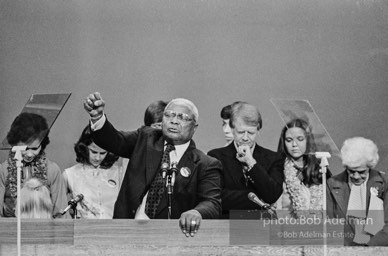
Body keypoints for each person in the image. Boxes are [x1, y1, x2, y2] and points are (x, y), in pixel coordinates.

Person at [83, 92, 222, 237]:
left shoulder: (205, 164)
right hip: (127, 231)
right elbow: (114, 141)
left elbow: (212, 203)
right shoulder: (146, 139)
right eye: (169, 115)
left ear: (194, 127)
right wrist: (97, 118)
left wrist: (196, 212)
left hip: (171, 238)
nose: (174, 121)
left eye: (182, 117)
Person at [208, 102, 284, 219]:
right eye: (241, 132)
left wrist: (251, 163)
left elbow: (272, 194)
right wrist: (258, 200)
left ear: (258, 131)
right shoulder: (216, 156)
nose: (245, 137)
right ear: (232, 129)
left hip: (261, 226)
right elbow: (217, 197)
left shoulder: (274, 158)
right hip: (227, 225)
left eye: (251, 133)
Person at [0, 112, 68, 218]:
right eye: (25, 148)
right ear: (15, 144)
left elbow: (61, 213)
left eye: (35, 148)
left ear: (42, 145)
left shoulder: (52, 170)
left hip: (45, 231)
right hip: (11, 230)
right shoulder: (4, 170)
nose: (30, 154)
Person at [327, 137, 388, 246]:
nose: (356, 176)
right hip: (344, 250)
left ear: (370, 166)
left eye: (361, 172)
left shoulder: (384, 182)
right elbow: (329, 223)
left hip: (376, 249)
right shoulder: (332, 184)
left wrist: (368, 248)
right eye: (351, 171)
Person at [275, 119, 331, 218]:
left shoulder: (320, 169)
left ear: (308, 141)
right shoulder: (278, 169)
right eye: (289, 140)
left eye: (300, 139)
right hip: (287, 228)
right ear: (284, 143)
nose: (294, 145)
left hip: (317, 228)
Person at [63, 126, 122, 219]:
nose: (98, 158)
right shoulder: (70, 174)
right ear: (84, 148)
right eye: (94, 152)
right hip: (83, 230)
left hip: (113, 230)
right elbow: (57, 207)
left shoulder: (119, 173)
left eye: (103, 153)